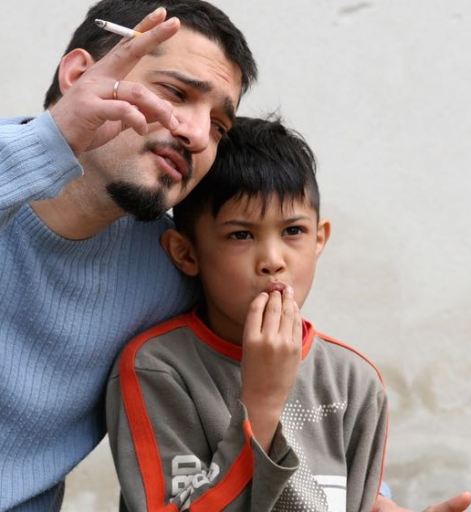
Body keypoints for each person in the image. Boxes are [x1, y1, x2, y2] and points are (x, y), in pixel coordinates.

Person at [0, 1, 257, 510]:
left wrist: (368, 496)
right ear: (79, 76)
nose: (196, 134)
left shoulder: (171, 272)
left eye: (218, 126)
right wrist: (53, 138)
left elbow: (281, 362)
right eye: (175, 93)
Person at [106, 116, 388, 511]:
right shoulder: (158, 368)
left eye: (293, 231)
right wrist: (261, 404)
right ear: (186, 253)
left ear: (319, 239)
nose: (273, 260)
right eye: (241, 235)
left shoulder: (354, 381)